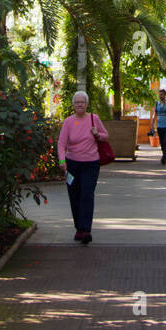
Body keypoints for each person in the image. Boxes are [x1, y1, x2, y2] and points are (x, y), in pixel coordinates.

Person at [57, 91, 109, 244]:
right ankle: (79, 228)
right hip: (72, 164)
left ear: (86, 104)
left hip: (91, 163)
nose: (79, 105)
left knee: (87, 194)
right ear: (73, 105)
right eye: (77, 102)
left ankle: (86, 230)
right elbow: (61, 144)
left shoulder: (94, 119)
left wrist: (97, 134)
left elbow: (106, 135)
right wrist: (62, 162)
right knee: (75, 195)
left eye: (82, 102)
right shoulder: (68, 122)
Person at [153, 89, 166, 164]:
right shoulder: (157, 103)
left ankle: (164, 156)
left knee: (165, 141)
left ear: (165, 95)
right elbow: (155, 114)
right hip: (159, 125)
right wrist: (153, 124)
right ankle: (165, 154)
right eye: (159, 94)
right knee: (162, 142)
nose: (160, 96)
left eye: (161, 94)